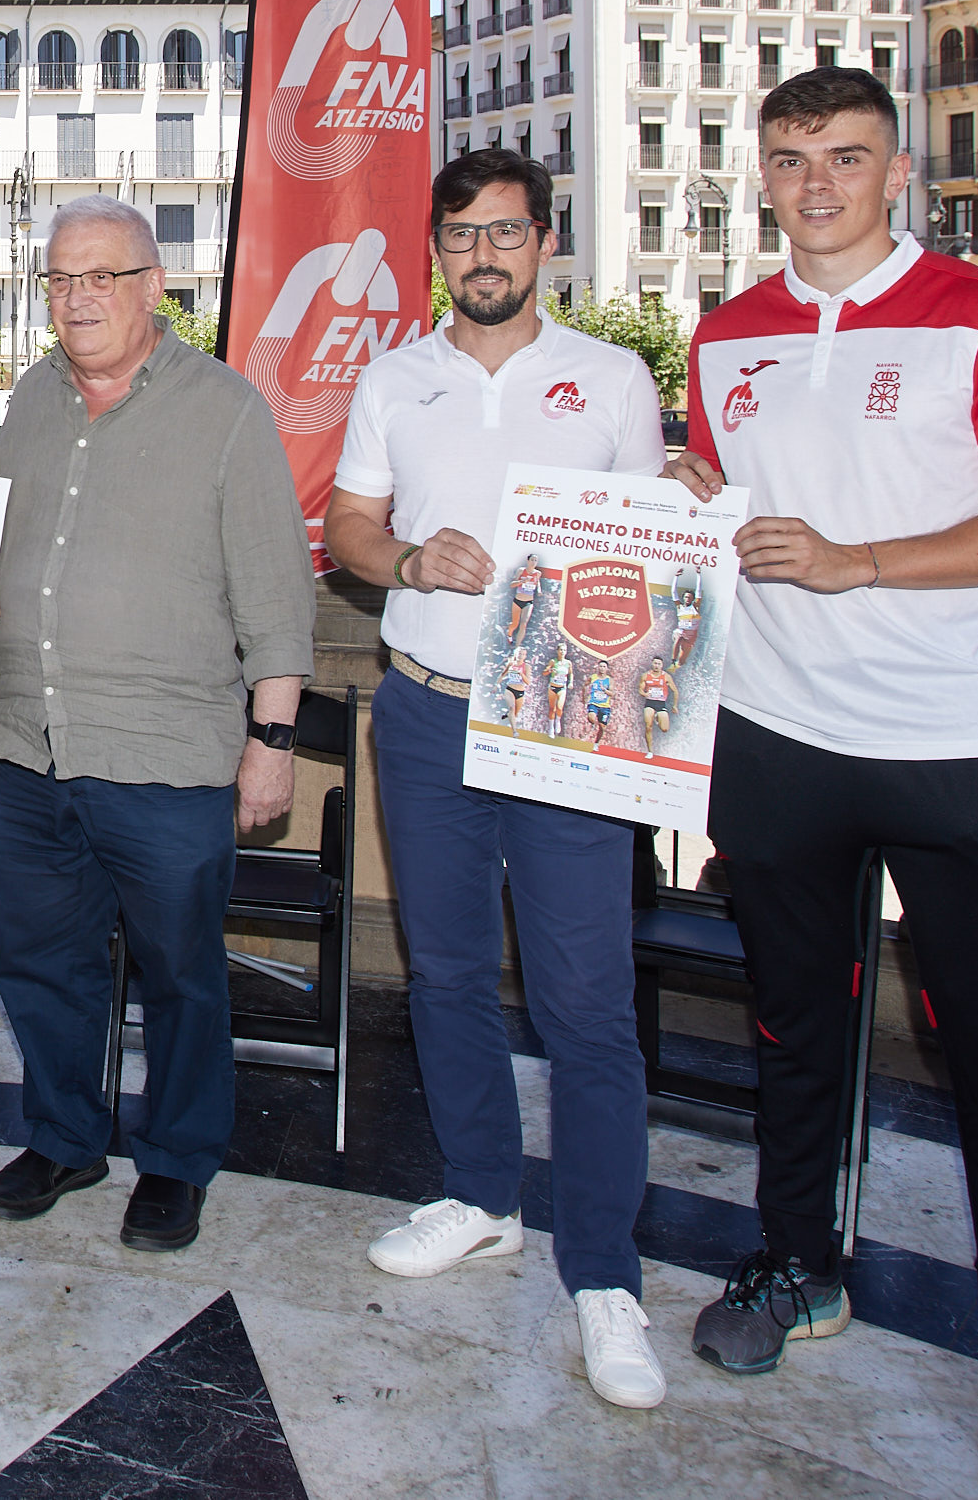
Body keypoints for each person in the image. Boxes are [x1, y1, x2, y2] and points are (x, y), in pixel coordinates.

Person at [669, 68, 978, 1495]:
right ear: (762, 173)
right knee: (793, 1028)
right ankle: (797, 1260)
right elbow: (722, 495)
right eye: (790, 158)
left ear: (897, 170)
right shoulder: (725, 332)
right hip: (776, 730)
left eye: (845, 157)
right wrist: (687, 506)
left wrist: (857, 561)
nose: (816, 184)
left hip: (951, 738)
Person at [324, 151, 670, 1411]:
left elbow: (658, 547)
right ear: (437, 248)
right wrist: (410, 558)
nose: (484, 253)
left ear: (545, 240)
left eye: (507, 231)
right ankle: (480, 1194)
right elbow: (348, 530)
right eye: (463, 233)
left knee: (587, 1003)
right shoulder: (393, 378)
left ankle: (607, 1273)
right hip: (425, 710)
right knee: (449, 972)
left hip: (567, 722)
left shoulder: (615, 379)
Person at [0, 196, 310, 1257]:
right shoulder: (31, 398)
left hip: (167, 756)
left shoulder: (226, 410)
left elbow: (277, 596)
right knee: (41, 967)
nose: (77, 298)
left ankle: (176, 1158)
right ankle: (65, 1137)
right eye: (59, 279)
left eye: (101, 276)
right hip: (30, 744)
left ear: (152, 285)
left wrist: (272, 742)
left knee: (181, 977)